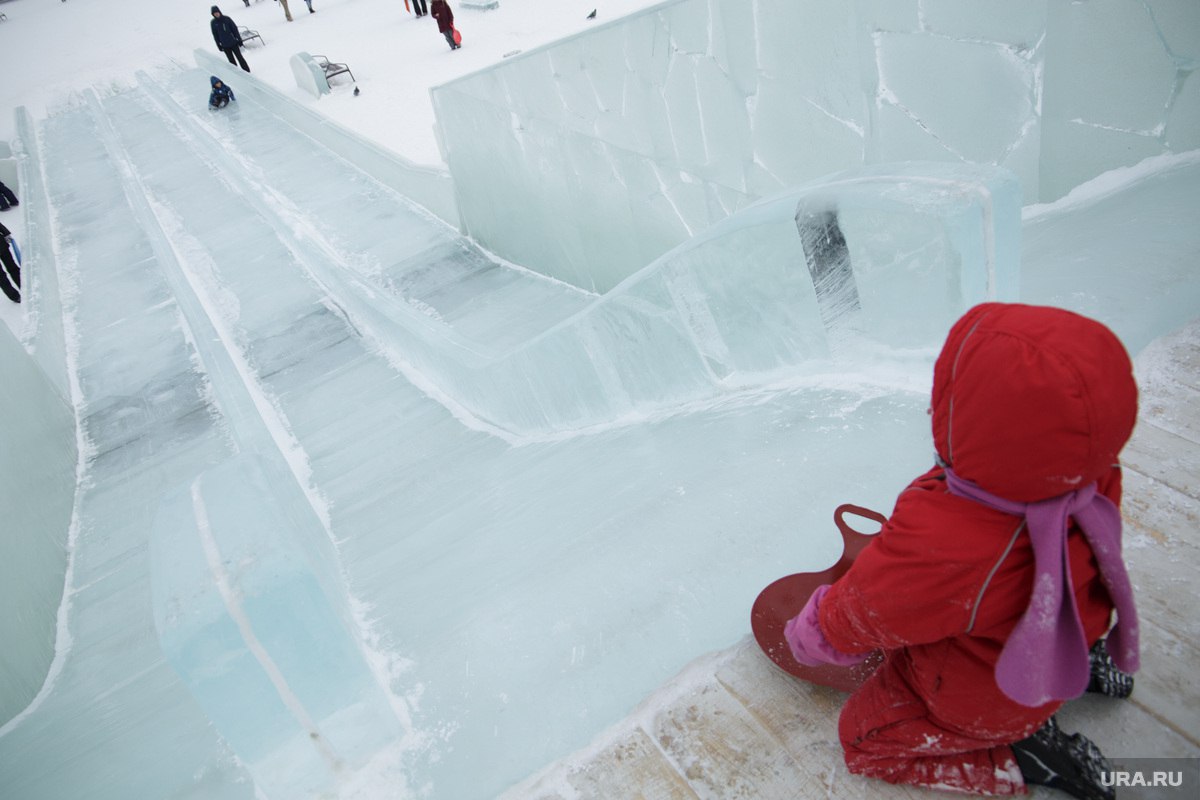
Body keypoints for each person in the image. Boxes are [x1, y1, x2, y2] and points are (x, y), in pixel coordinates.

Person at [785, 303, 1139, 800]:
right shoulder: (1091, 476)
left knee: (865, 739)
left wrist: (810, 632)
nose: (935, 407)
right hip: (1066, 630)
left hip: (981, 697)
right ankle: (1086, 670)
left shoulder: (949, 543)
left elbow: (864, 615)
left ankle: (1023, 758)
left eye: (949, 397)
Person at [210, 6, 250, 73]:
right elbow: (215, 35)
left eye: (217, 12)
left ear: (219, 12)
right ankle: (236, 73)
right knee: (231, 61)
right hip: (225, 45)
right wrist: (218, 45)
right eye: (214, 13)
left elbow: (234, 29)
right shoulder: (213, 23)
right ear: (213, 14)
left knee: (240, 58)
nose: (216, 14)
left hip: (233, 43)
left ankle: (247, 71)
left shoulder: (227, 19)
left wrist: (239, 39)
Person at [0, 221, 20, 303]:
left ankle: (22, 288)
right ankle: (14, 296)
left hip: (1, 246)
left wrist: (6, 233)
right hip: (2, 245)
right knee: (2, 275)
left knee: (12, 268)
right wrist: (6, 233)